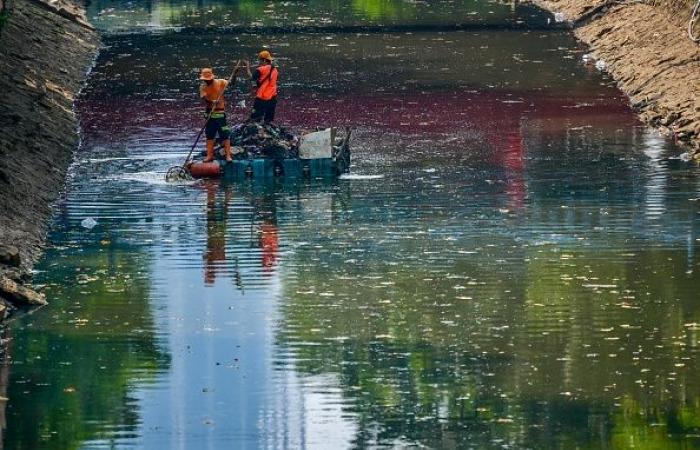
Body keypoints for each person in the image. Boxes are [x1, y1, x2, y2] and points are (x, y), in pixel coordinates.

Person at [199, 66, 238, 162]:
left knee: (225, 134)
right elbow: (204, 98)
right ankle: (209, 155)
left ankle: (228, 155)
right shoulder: (203, 86)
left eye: (208, 79)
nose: (206, 81)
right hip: (210, 113)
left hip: (220, 113)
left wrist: (235, 74)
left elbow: (231, 83)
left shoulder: (220, 82)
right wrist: (212, 101)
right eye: (205, 80)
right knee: (210, 134)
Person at [244, 50, 279, 123]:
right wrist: (247, 68)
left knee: (254, 119)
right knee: (268, 121)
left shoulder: (260, 69)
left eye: (259, 60)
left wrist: (253, 86)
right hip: (273, 98)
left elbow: (253, 79)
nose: (259, 62)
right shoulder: (275, 70)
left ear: (263, 60)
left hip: (262, 98)